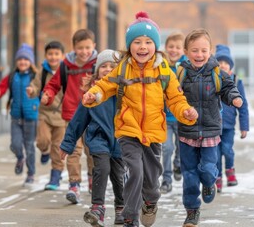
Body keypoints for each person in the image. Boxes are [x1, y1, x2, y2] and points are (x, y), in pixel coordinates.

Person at [82, 11, 198, 227]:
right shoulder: (123, 68)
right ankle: (130, 217)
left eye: (147, 42)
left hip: (154, 132)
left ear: (155, 45)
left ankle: (151, 202)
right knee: (134, 171)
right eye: (137, 42)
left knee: (152, 182)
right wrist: (93, 95)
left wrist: (185, 112)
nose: (142, 46)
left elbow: (175, 98)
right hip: (129, 129)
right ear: (129, 45)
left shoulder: (164, 71)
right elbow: (105, 86)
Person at [177, 29, 243, 227]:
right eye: (194, 50)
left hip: (210, 132)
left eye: (203, 50)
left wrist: (234, 97)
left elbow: (229, 87)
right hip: (187, 132)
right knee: (189, 175)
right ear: (186, 52)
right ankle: (191, 211)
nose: (199, 55)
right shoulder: (181, 74)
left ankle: (209, 183)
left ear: (210, 51)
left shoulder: (217, 72)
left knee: (207, 169)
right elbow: (170, 94)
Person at [60, 49, 125, 227]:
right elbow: (78, 121)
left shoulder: (125, 91)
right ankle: (97, 208)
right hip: (99, 139)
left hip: (120, 140)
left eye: (112, 66)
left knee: (118, 176)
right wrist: (67, 144)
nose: (107, 68)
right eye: (103, 66)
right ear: (97, 70)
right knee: (101, 169)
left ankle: (121, 207)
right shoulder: (91, 94)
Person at [41, 29, 97, 204]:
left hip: (94, 115)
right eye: (80, 48)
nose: (84, 52)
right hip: (71, 114)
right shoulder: (66, 65)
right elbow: (53, 84)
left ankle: (93, 180)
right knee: (72, 150)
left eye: (88, 47)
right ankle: (74, 184)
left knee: (93, 151)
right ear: (74, 48)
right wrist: (48, 95)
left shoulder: (98, 63)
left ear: (93, 46)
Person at [0, 43, 39, 186]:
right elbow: (0, 87)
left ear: (30, 62)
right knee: (15, 144)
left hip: (31, 117)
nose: (22, 62)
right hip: (16, 116)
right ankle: (20, 158)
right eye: (20, 59)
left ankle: (30, 174)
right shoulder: (12, 76)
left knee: (29, 146)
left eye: (25, 59)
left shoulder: (35, 76)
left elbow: (45, 89)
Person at [26, 41, 66, 190]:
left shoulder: (66, 71)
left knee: (58, 148)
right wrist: (32, 90)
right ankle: (44, 150)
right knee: (42, 140)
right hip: (45, 113)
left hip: (62, 116)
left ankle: (55, 177)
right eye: (50, 54)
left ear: (62, 56)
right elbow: (36, 86)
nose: (53, 57)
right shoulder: (42, 72)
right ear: (45, 56)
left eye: (56, 54)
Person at [214, 44, 249, 193]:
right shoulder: (213, 80)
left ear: (230, 66)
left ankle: (230, 170)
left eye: (225, 63)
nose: (222, 65)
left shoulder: (236, 82)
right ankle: (218, 178)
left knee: (227, 150)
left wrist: (244, 126)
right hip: (214, 125)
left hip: (228, 126)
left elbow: (243, 106)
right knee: (215, 154)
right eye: (219, 62)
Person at [160, 31, 186, 193]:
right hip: (165, 117)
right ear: (166, 47)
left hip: (181, 117)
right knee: (167, 148)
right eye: (171, 47)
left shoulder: (186, 67)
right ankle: (166, 179)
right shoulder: (161, 66)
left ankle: (178, 164)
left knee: (181, 147)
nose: (174, 50)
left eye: (178, 47)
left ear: (184, 50)